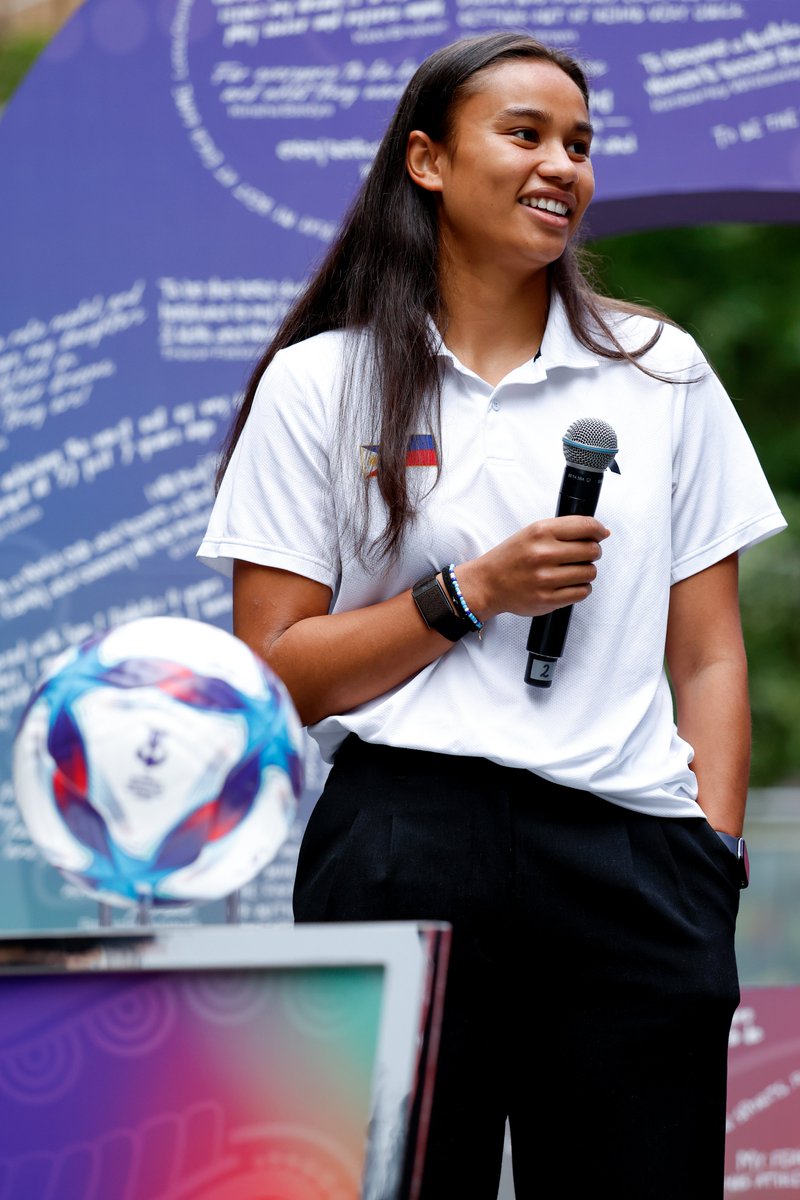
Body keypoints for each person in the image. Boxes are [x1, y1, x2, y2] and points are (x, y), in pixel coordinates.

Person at [198, 31, 786, 1199]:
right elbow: (271, 677)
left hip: (632, 854)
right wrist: (467, 593)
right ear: (426, 160)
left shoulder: (658, 370)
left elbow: (710, 655)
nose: (559, 165)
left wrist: (707, 855)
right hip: (402, 844)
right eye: (523, 135)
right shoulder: (324, 381)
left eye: (578, 143)